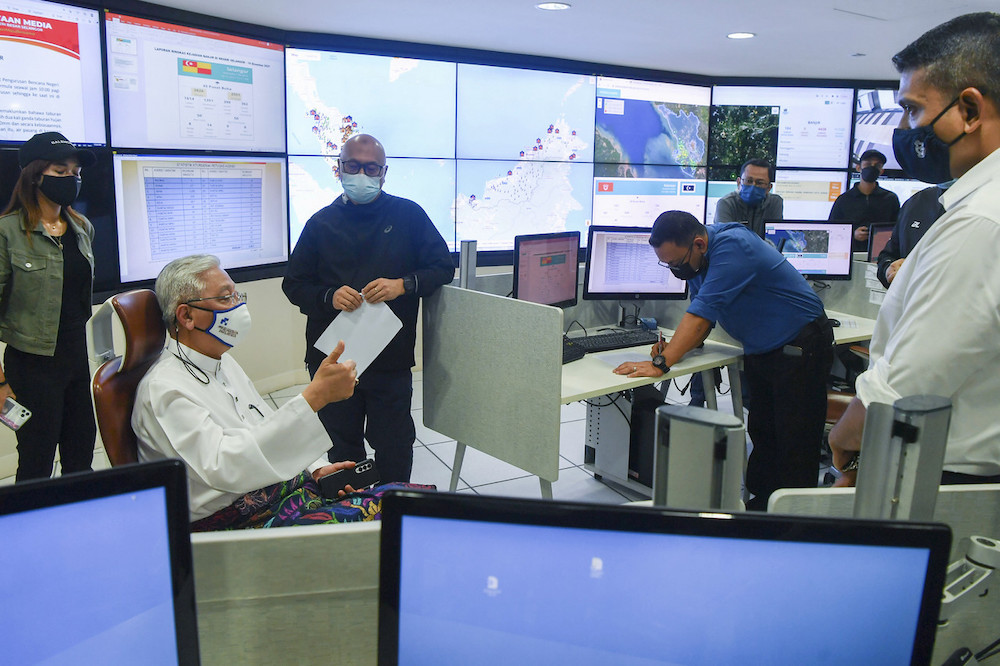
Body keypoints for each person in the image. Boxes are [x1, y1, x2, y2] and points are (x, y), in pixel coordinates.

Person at [133, 255, 430, 529]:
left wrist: (315, 469)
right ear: (186, 316)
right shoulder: (165, 389)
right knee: (406, 520)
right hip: (235, 521)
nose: (238, 307)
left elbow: (262, 422)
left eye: (237, 296)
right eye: (226, 298)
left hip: (276, 492)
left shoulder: (221, 361)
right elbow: (225, 468)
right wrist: (314, 398)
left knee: (409, 501)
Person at [829, 12, 1000, 486]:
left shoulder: (981, 220)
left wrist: (846, 436)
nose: (904, 128)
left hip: (945, 473)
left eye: (913, 110)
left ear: (970, 110)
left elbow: (912, 379)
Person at [614, 211, 833, 510]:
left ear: (699, 244)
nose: (675, 270)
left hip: (801, 343)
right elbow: (701, 313)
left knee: (795, 439)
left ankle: (795, 516)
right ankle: (762, 507)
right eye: (667, 264)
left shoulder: (733, 247)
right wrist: (675, 347)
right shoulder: (698, 260)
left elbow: (701, 317)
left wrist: (661, 363)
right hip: (764, 347)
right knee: (764, 433)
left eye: (676, 263)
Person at [282, 134, 454, 484]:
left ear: (384, 173)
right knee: (341, 446)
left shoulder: (409, 215)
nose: (362, 174)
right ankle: (352, 510)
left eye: (371, 168)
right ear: (339, 169)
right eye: (353, 166)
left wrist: (403, 284)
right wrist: (328, 296)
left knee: (394, 443)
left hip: (390, 358)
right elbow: (294, 285)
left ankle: (392, 506)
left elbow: (442, 267)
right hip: (333, 360)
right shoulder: (320, 223)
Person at [0, 132, 97, 483]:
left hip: (75, 358)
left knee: (81, 456)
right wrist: (0, 384)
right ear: (35, 175)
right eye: (60, 171)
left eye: (75, 172)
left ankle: (79, 516)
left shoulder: (81, 228)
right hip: (31, 367)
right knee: (36, 464)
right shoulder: (8, 233)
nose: (71, 178)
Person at [828, 149, 901, 252]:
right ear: (859, 168)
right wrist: (853, 234)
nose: (872, 168)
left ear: (881, 171)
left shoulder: (890, 199)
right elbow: (832, 230)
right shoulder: (844, 200)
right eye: (868, 164)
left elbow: (897, 229)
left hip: (881, 254)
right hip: (850, 253)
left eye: (877, 165)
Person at [875, 183, 947, 288]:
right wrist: (889, 270)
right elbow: (888, 255)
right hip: (907, 295)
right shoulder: (917, 202)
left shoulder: (970, 206)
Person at [714, 158, 783, 238]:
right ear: (739, 182)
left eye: (759, 183)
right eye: (748, 181)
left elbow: (776, 239)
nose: (753, 186)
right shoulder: (726, 203)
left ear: (769, 188)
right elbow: (725, 240)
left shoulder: (774, 203)